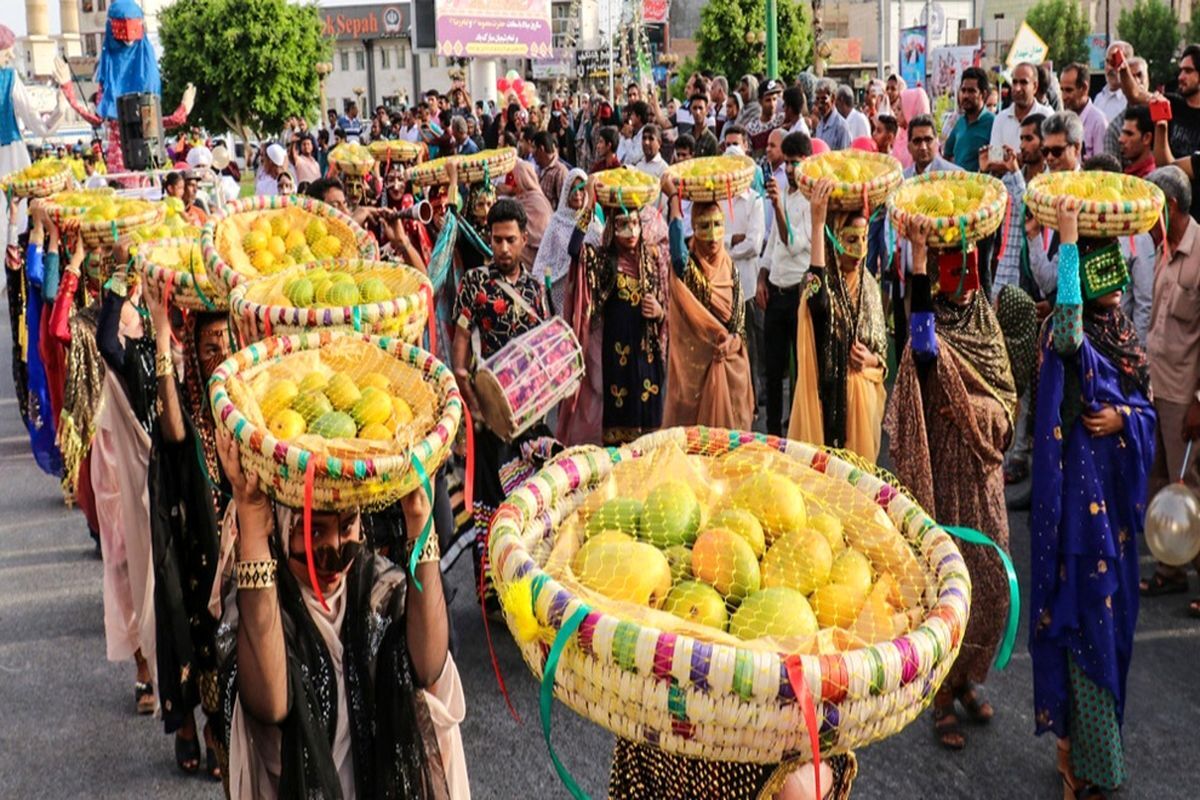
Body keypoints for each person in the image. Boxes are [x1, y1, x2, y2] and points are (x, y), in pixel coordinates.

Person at [214, 426, 467, 798]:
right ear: (282, 530)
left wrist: (419, 519)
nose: (334, 550)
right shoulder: (260, 605)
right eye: (313, 532)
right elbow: (270, 703)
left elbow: (429, 669)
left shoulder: (378, 588)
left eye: (346, 527)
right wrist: (252, 527)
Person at [1029, 199, 1154, 800]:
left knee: (1114, 625)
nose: (1114, 288)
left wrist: (1123, 416)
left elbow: (1147, 411)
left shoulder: (1127, 336)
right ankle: (1080, 762)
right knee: (1082, 621)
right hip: (1077, 510)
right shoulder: (1065, 333)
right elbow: (1072, 327)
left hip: (1116, 509)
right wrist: (1069, 240)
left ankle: (1092, 753)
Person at [887, 214, 1016, 751]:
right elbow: (922, 351)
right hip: (943, 467)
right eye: (948, 266)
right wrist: (917, 264)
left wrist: (991, 414)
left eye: (967, 264)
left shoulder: (984, 319)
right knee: (948, 574)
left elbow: (1006, 388)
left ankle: (967, 679)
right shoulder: (929, 320)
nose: (961, 277)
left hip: (982, 470)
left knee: (988, 574)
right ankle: (940, 695)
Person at [140, 271, 228, 779]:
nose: (217, 354)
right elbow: (172, 430)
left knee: (225, 638)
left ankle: (218, 724)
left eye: (224, 343)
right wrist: (159, 325)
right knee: (185, 629)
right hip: (191, 545)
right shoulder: (191, 410)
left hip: (230, 548)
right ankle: (188, 726)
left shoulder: (244, 408)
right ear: (193, 354)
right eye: (207, 346)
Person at [453, 199, 550, 604]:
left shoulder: (536, 289)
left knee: (531, 501)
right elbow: (459, 361)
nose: (504, 248)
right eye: (496, 240)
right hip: (489, 418)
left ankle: (529, 585)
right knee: (490, 505)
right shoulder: (474, 285)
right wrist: (475, 409)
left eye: (511, 239)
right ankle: (493, 594)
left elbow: (546, 351)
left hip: (531, 415)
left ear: (525, 240)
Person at [93, 247, 159, 717]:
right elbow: (106, 344)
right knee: (125, 562)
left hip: (167, 466)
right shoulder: (108, 332)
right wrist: (116, 285)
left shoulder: (166, 335)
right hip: (118, 457)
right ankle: (144, 666)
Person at [559, 180, 670, 445]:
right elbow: (574, 249)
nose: (630, 231)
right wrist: (589, 206)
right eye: (622, 224)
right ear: (611, 227)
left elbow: (669, 308)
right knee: (618, 437)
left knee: (650, 436)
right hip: (615, 360)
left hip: (648, 358)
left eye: (634, 223)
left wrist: (660, 313)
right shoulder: (603, 261)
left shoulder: (654, 260)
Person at [787, 178, 888, 462]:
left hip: (863, 412)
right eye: (850, 240)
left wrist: (871, 360)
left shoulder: (869, 285)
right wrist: (817, 224)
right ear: (834, 239)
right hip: (828, 407)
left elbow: (880, 350)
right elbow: (817, 301)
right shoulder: (818, 282)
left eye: (864, 239)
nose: (859, 250)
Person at [1139, 166, 1200, 614]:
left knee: (1191, 486)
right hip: (1157, 384)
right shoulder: (1165, 246)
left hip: (1185, 394)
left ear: (1172, 206)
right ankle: (1170, 569)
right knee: (1160, 480)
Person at [659, 174, 755, 430]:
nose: (712, 237)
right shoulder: (692, 269)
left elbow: (740, 323)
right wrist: (674, 200)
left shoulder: (731, 268)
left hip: (732, 364)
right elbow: (678, 257)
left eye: (716, 225)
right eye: (704, 227)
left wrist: (733, 342)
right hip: (698, 369)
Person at [758, 132, 813, 436]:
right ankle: (772, 436)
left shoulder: (809, 201)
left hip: (798, 295)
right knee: (774, 368)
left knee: (800, 372)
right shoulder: (784, 193)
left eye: (796, 164)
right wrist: (762, 277)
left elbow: (791, 244)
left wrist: (778, 208)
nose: (791, 170)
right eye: (788, 164)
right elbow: (773, 246)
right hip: (776, 292)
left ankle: (794, 433)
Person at [533, 168, 591, 314]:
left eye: (581, 189)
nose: (577, 194)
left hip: (585, 291)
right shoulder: (556, 223)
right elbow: (543, 259)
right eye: (572, 189)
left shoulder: (593, 224)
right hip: (559, 290)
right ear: (565, 192)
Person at [991, 62, 1054, 152]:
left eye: (1024, 82)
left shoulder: (1047, 117)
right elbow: (995, 158)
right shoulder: (1000, 119)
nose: (1017, 88)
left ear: (1035, 86)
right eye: (1014, 82)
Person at [944, 67, 994, 171]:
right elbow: (947, 155)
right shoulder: (959, 123)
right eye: (963, 90)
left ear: (983, 94)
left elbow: (998, 159)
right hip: (958, 184)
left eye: (971, 91)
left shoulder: (993, 123)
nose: (966, 95)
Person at [1103, 57, 1149, 164]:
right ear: (1122, 86)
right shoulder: (1114, 128)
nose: (1136, 81)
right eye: (1130, 77)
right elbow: (1112, 173)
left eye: (1139, 75)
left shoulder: (1163, 116)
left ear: (1148, 78)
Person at [1059, 63, 1108, 158]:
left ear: (1084, 88)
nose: (1064, 96)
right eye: (1062, 90)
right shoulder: (1062, 120)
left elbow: (1102, 166)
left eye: (1069, 90)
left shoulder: (1098, 122)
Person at [1095, 41, 1134, 122]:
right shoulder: (1099, 98)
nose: (1109, 68)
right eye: (1107, 61)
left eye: (1114, 63)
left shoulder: (1131, 101)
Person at [746, 80, 785, 157]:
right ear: (760, 101)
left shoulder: (782, 119)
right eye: (768, 100)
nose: (772, 104)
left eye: (774, 99)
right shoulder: (751, 128)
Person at [533, 131, 569, 211]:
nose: (532, 153)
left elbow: (564, 203)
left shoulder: (560, 171)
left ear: (541, 149)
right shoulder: (538, 169)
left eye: (534, 148)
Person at [1119, 104, 1156, 178]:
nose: (1121, 139)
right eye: (1123, 132)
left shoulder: (1150, 179)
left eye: (1129, 134)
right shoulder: (1131, 171)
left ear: (1146, 138)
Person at [814, 79, 851, 150]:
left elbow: (845, 156)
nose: (820, 105)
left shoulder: (841, 127)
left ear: (833, 98)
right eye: (817, 99)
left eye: (823, 99)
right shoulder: (820, 125)